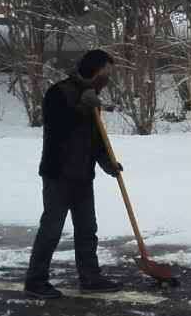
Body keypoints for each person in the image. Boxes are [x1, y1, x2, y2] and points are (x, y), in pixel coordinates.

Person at [24, 49, 124, 298]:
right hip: (58, 173)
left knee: (87, 229)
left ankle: (90, 278)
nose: (107, 78)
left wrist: (108, 164)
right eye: (106, 72)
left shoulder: (93, 98)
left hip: (83, 175)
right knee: (51, 229)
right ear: (94, 69)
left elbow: (96, 140)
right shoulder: (58, 92)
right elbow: (57, 129)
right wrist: (82, 108)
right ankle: (35, 281)